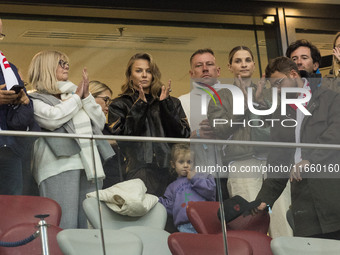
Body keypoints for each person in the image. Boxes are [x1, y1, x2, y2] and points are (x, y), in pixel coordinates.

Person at [255, 56, 340, 240]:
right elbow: (279, 158)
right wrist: (264, 199)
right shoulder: (281, 112)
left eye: (279, 83)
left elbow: (335, 135)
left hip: (332, 191)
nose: (277, 90)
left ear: (293, 74)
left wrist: (311, 159)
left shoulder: (329, 98)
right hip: (304, 201)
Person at [28, 50, 114, 229]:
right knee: (63, 225)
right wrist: (77, 98)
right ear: (47, 67)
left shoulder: (73, 94)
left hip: (89, 165)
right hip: (57, 166)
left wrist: (87, 97)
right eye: (61, 63)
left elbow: (98, 123)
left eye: (67, 63)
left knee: (89, 225)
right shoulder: (33, 98)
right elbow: (52, 119)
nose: (66, 66)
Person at [108, 52, 190, 197]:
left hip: (172, 170)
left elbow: (183, 136)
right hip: (139, 169)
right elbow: (123, 139)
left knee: (172, 217)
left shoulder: (171, 102)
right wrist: (139, 106)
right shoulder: (120, 104)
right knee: (144, 216)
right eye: (139, 71)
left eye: (149, 71)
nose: (144, 75)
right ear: (130, 75)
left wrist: (166, 106)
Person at [178, 48, 228, 200]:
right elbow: (174, 143)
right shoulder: (181, 102)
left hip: (230, 173)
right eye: (199, 65)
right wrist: (193, 136)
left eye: (209, 64)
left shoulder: (232, 98)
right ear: (191, 73)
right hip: (196, 177)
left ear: (218, 71)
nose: (205, 68)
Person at [0, 18, 39, 195]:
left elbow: (20, 120)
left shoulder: (10, 69)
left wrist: (24, 102)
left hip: (8, 148)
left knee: (12, 208)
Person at [159, 143, 216, 233]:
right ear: (173, 164)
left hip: (204, 221)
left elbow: (210, 191)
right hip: (184, 225)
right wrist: (155, 201)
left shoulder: (203, 176)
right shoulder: (172, 187)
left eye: (189, 162)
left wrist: (195, 178)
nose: (185, 165)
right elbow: (169, 206)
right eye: (181, 162)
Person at [89, 80, 125, 188]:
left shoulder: (106, 128)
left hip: (115, 185)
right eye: (105, 100)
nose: (108, 107)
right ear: (89, 97)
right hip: (93, 186)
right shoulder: (80, 125)